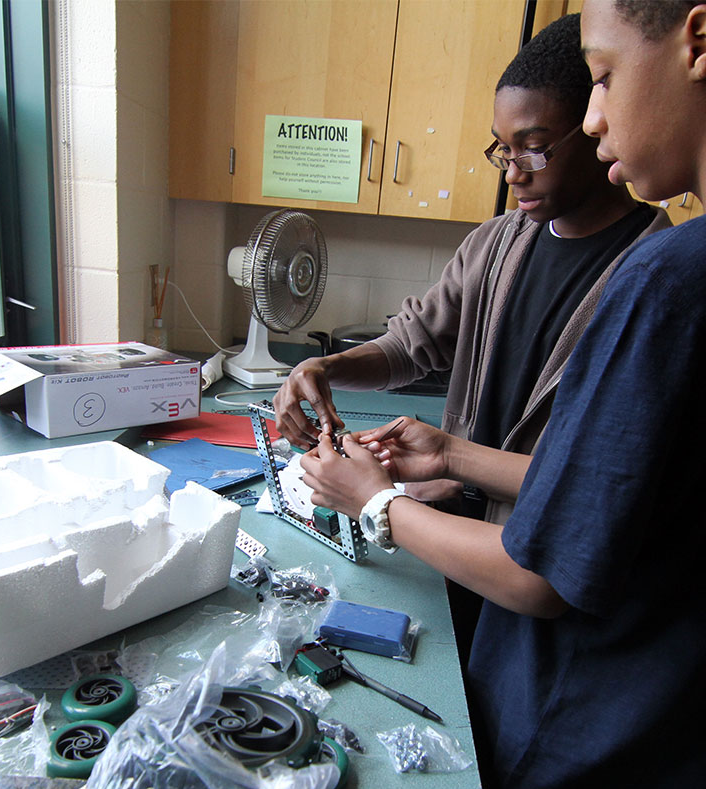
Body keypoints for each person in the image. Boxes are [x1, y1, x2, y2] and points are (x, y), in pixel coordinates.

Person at [299, 2, 706, 789]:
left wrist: (374, 501)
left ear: (700, 43)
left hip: (577, 743)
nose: (596, 120)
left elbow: (542, 574)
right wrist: (455, 455)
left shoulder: (677, 278)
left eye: (603, 77)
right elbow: (636, 502)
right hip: (700, 741)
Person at [274, 14, 670, 520]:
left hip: (537, 542)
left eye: (532, 149)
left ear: (596, 123)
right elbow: (409, 345)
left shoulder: (654, 275)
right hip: (458, 519)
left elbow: (599, 478)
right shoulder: (493, 244)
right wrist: (325, 367)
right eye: (503, 150)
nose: (512, 175)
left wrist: (417, 483)